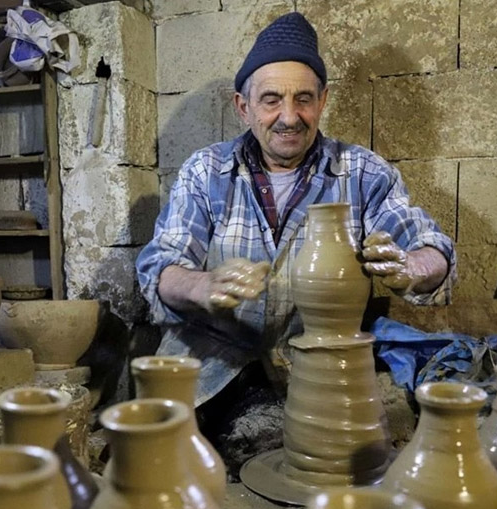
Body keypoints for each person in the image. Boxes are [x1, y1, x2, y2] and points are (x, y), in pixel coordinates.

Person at [136, 12, 456, 476]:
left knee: (306, 449)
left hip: (313, 365)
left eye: (303, 99)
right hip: (212, 359)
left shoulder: (363, 173)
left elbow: (432, 248)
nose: (289, 117)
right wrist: (201, 286)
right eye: (271, 100)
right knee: (157, 455)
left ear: (322, 101)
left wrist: (411, 267)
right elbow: (160, 267)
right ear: (243, 106)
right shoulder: (205, 172)